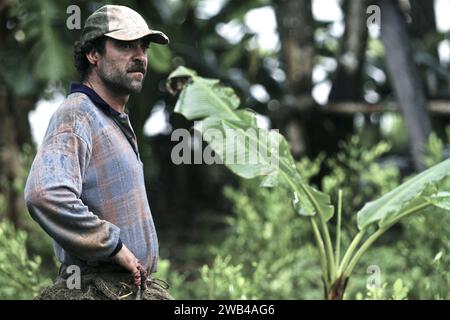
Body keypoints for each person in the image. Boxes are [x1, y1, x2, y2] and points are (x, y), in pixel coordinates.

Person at [24, 4, 171, 300]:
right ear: (94, 54)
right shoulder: (78, 113)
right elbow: (44, 193)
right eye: (125, 45)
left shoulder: (111, 121)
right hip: (97, 289)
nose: (139, 56)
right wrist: (113, 246)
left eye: (143, 47)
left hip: (126, 288)